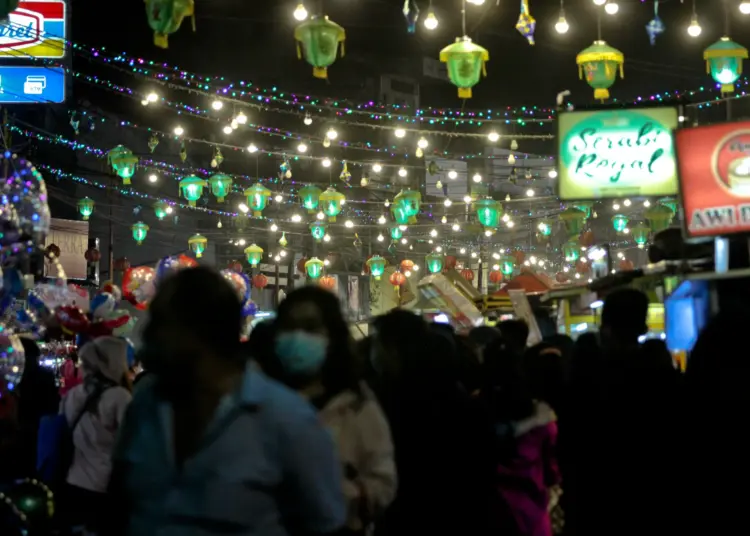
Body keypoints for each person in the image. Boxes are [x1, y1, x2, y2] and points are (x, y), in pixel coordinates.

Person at [108, 267, 345, 536]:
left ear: (202, 332)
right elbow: (119, 506)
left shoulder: (287, 419)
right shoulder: (145, 406)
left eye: (163, 325)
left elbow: (325, 523)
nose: (149, 337)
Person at [267, 286, 397, 536]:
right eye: (290, 327)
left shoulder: (355, 403)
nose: (298, 336)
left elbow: (383, 480)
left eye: (310, 327)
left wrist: (343, 494)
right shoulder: (255, 399)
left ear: (331, 335)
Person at [481, 338, 560, 536]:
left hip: (488, 514)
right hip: (532, 515)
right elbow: (552, 472)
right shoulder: (542, 419)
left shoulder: (471, 411)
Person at [60, 336, 133, 533]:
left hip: (73, 481)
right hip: (105, 487)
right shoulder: (119, 396)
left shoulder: (74, 394)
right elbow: (133, 441)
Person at [17, 337, 59, 475]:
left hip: (19, 426)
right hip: (39, 427)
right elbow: (53, 403)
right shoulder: (45, 375)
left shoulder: (14, 375)